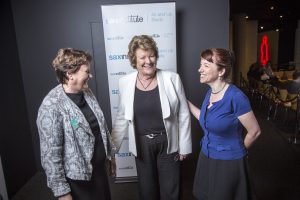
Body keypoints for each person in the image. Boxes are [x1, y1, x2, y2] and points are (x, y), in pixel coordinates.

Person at [111, 35, 192, 200]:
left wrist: (184, 146)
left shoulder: (172, 78)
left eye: (152, 55)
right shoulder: (124, 82)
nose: (148, 61)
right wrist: (112, 151)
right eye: (143, 57)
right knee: (147, 191)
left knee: (171, 190)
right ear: (134, 60)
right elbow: (121, 118)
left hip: (168, 142)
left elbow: (183, 113)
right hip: (141, 145)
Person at [36, 48, 114, 200]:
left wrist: (110, 156)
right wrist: (62, 193)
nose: (90, 75)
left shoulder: (86, 92)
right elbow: (50, 155)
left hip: (98, 172)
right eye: (86, 71)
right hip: (78, 181)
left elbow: (101, 127)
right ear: (70, 74)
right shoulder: (51, 106)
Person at [188, 48, 261, 200]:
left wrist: (238, 153)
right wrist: (185, 102)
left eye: (206, 65)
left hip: (228, 162)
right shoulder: (210, 93)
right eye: (201, 64)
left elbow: (254, 131)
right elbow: (206, 120)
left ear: (221, 71)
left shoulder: (236, 97)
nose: (199, 69)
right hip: (207, 157)